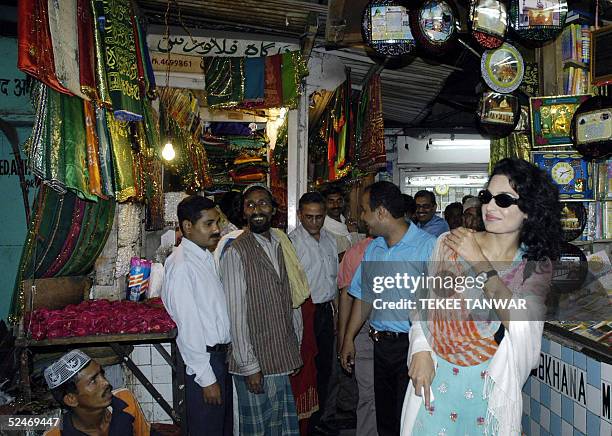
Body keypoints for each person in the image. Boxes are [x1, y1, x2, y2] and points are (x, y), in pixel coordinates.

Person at [401, 158, 562, 435]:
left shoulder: (534, 265)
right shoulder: (450, 244)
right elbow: (425, 304)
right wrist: (420, 349)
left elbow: (522, 325)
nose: (489, 206)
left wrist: (479, 263)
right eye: (487, 196)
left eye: (503, 200)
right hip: (436, 380)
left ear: (529, 211)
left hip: (492, 389)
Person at [339, 181, 436, 436]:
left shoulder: (428, 247)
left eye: (364, 210)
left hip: (414, 348)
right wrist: (348, 339)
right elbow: (363, 297)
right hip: (380, 347)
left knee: (411, 421)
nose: (362, 218)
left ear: (381, 212)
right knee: (385, 422)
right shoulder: (375, 248)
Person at [220, 184, 306, 435]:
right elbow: (235, 313)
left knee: (280, 427)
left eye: (263, 204)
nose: (257, 210)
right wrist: (249, 366)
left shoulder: (281, 244)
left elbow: (292, 301)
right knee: (257, 429)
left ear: (274, 210)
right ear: (243, 213)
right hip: (254, 361)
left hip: (280, 355)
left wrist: (295, 347)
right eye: (250, 205)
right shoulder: (236, 251)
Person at [162, 195, 232, 435]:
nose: (216, 229)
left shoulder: (204, 256)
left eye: (217, 223)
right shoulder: (181, 266)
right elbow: (187, 327)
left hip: (219, 360)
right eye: (209, 224)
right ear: (188, 227)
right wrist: (206, 378)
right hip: (203, 364)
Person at [289, 192, 339, 434]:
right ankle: (303, 424)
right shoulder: (292, 243)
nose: (314, 222)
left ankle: (317, 420)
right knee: (306, 369)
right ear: (300, 215)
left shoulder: (330, 240)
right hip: (304, 314)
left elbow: (333, 282)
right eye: (309, 217)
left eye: (319, 217)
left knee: (325, 368)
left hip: (325, 312)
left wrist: (337, 313)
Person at [43, 350, 157, 436]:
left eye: (101, 374)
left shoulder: (124, 400)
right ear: (71, 399)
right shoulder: (56, 434)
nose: (106, 382)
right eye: (93, 381)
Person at [337, 234, 377, 436]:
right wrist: (345, 339)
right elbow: (348, 295)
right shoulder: (358, 252)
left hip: (399, 332)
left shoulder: (416, 246)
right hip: (364, 327)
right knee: (369, 394)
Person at [323, 186, 360, 255]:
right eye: (331, 202)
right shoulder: (323, 229)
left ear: (344, 202)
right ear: (324, 204)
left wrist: (353, 232)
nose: (336, 205)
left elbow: (359, 252)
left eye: (339, 201)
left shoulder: (347, 223)